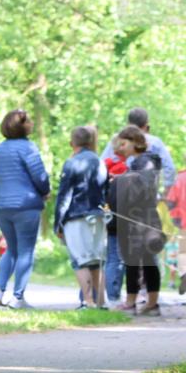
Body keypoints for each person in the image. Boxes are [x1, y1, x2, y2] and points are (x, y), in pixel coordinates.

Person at [0, 109, 50, 309]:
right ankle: (18, 298)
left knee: (11, 249)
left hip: (1, 206)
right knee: (26, 251)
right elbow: (40, 177)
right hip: (25, 205)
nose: (31, 123)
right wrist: (45, 191)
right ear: (22, 126)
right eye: (29, 121)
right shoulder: (28, 148)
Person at [109, 126, 165, 315]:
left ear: (135, 142)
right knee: (143, 260)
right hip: (141, 217)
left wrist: (120, 181)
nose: (121, 148)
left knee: (136, 260)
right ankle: (149, 304)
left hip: (139, 218)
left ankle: (135, 302)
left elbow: (142, 188)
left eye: (124, 144)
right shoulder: (142, 162)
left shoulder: (145, 162)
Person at [54, 126, 108, 309]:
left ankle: (88, 301)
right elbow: (106, 191)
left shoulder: (71, 163)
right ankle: (102, 302)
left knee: (80, 261)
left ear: (72, 143)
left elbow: (64, 196)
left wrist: (58, 223)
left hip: (76, 217)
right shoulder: (100, 162)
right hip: (98, 216)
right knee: (97, 261)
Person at [100, 108, 176, 191]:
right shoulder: (155, 143)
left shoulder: (118, 139)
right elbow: (169, 168)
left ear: (128, 123)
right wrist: (166, 191)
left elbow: (102, 165)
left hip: (124, 192)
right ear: (146, 125)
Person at [103, 134, 131, 305]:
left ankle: (112, 296)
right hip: (126, 215)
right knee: (122, 258)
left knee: (113, 257)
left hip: (111, 215)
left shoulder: (105, 165)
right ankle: (117, 296)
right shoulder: (127, 166)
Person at [165, 155, 186, 295]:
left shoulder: (180, 178)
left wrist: (174, 217)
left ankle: (184, 273)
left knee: (183, 252)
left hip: (184, 222)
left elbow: (171, 201)